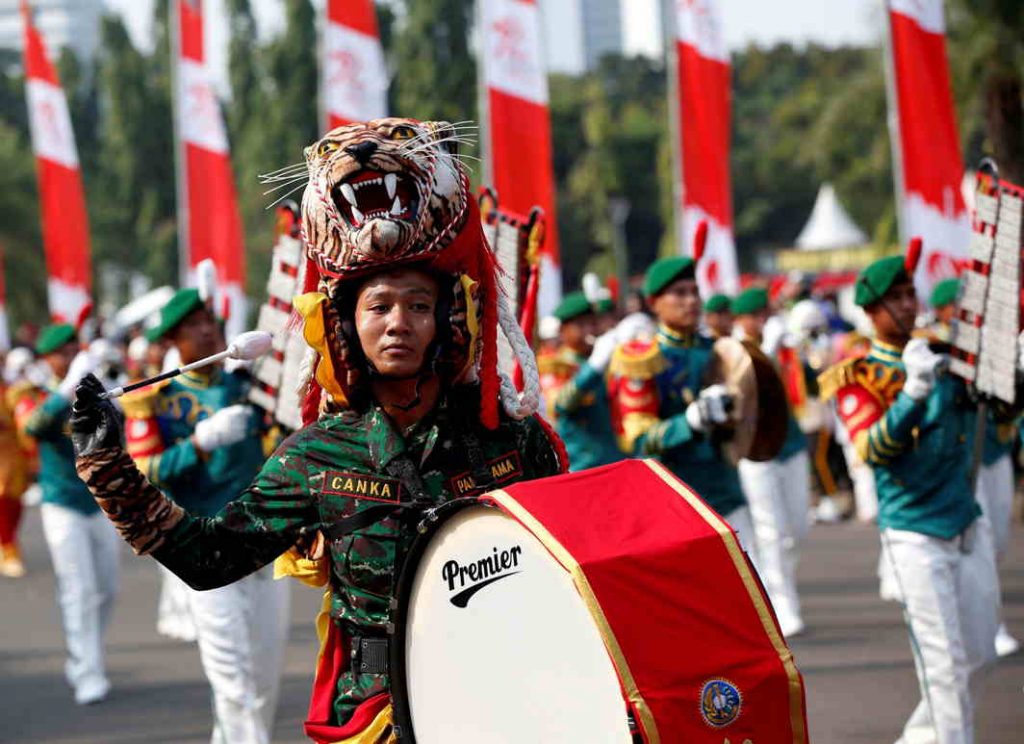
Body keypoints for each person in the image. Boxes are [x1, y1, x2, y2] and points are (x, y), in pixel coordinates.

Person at [71, 117, 566, 743]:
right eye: (379, 307)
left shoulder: (513, 440)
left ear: (450, 319)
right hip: (377, 716)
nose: (398, 324)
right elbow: (211, 558)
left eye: (418, 306)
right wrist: (109, 470)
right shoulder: (313, 456)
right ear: (343, 327)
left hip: (503, 704)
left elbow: (568, 571)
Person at [819, 255, 1016, 744]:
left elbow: (999, 423)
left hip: (966, 520)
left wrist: (1011, 378)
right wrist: (912, 392)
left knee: (980, 655)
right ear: (872, 311)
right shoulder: (858, 375)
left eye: (912, 294)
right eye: (897, 298)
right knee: (944, 667)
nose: (909, 305)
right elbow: (872, 451)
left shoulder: (945, 355)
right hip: (914, 533)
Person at [120, 288, 291, 743]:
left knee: (265, 674)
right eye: (196, 325)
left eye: (211, 321)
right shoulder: (156, 398)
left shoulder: (247, 386)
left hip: (263, 537)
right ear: (174, 338)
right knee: (233, 677)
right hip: (204, 543)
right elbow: (144, 473)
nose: (209, 329)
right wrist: (199, 445)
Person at [610, 256, 755, 548]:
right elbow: (640, 440)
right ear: (654, 302)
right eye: (679, 293)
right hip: (676, 500)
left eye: (695, 291)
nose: (691, 301)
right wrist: (689, 421)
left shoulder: (719, 350)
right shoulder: (643, 359)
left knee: (749, 584)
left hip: (727, 492)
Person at [21, 323, 120, 705]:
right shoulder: (33, 392)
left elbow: (117, 431)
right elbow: (34, 427)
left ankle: (87, 652)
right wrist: (65, 391)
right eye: (59, 354)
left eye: (70, 351)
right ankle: (86, 669)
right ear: (47, 359)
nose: (66, 359)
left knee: (107, 587)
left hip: (98, 500)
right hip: (60, 501)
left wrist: (112, 387)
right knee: (79, 590)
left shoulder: (89, 387)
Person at [927, 278, 1020, 657]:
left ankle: (981, 620)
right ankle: (987, 626)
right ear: (944, 310)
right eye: (960, 304)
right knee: (975, 541)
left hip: (994, 450)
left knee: (996, 538)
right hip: (960, 459)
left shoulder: (990, 342)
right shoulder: (931, 345)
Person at [731, 287, 810, 637]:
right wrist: (768, 354)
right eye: (756, 315)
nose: (763, 319)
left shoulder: (782, 342)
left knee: (798, 527)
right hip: (757, 450)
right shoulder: (733, 350)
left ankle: (782, 584)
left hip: (790, 443)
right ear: (742, 319)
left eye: (766, 312)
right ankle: (782, 602)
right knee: (771, 530)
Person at [541, 292, 621, 471]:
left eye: (592, 323)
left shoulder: (607, 359)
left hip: (614, 458)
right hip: (583, 464)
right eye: (580, 324)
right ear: (562, 331)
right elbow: (560, 404)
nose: (589, 330)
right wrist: (594, 367)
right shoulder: (555, 365)